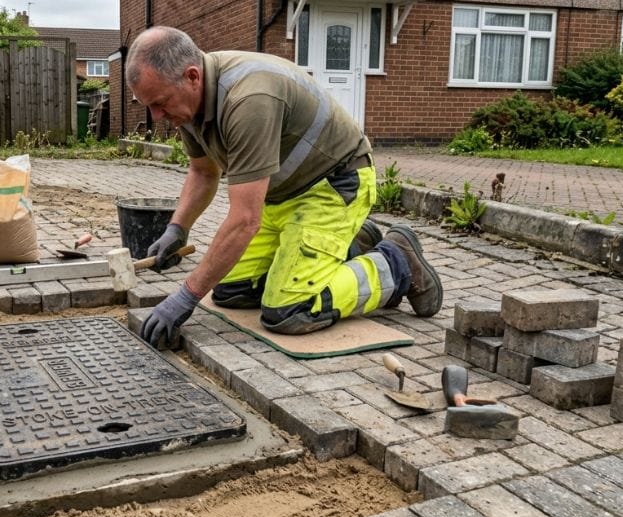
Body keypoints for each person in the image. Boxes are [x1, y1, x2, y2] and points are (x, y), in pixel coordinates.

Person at [125, 26, 443, 349]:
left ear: (192, 77)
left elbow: (245, 220)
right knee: (229, 290)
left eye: (160, 103)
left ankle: (396, 262)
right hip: (282, 198)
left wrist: (185, 296)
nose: (157, 116)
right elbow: (204, 172)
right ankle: (350, 244)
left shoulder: (248, 100)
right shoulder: (191, 104)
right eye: (149, 106)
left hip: (334, 186)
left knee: (288, 310)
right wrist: (177, 228)